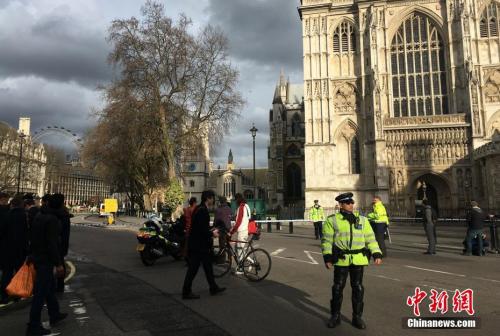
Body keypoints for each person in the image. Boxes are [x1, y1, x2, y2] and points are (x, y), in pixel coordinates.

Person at [322, 192, 382, 330]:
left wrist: (376, 253)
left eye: (352, 202)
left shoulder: (362, 220)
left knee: (358, 288)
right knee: (337, 288)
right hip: (341, 259)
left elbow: (370, 238)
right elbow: (326, 241)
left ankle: (357, 317)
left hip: (358, 258)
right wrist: (327, 257)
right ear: (341, 205)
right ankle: (335, 316)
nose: (351, 205)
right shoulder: (332, 220)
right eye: (348, 203)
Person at [27, 194, 67, 335]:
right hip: (45, 260)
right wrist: (58, 264)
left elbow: (33, 237)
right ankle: (33, 326)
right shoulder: (52, 220)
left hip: (38, 257)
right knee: (40, 294)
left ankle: (54, 314)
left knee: (49, 289)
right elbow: (52, 244)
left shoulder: (39, 215)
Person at [182, 190, 225, 299]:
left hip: (200, 245)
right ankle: (186, 292)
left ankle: (213, 287)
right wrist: (212, 233)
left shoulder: (200, 208)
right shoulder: (202, 211)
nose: (213, 200)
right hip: (199, 245)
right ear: (208, 198)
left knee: (208, 267)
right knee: (193, 269)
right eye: (212, 198)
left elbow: (201, 227)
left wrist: (210, 230)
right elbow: (201, 230)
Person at [0, 196, 29, 304]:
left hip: (7, 249)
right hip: (20, 250)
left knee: (7, 273)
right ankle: (16, 294)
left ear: (12, 205)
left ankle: (4, 295)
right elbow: (26, 234)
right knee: (18, 272)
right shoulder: (24, 217)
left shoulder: (6, 216)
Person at [52, 194, 71, 292]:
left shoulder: (57, 214)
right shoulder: (65, 213)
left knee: (57, 264)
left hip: (56, 244)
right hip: (62, 244)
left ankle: (57, 284)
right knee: (60, 264)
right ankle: (60, 285)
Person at [230, 193, 251, 275]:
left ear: (237, 199)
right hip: (246, 230)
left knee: (240, 251)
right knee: (240, 249)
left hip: (242, 231)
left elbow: (238, 221)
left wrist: (232, 231)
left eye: (235, 200)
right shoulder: (247, 206)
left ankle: (241, 269)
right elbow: (248, 218)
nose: (235, 201)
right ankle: (242, 265)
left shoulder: (241, 207)